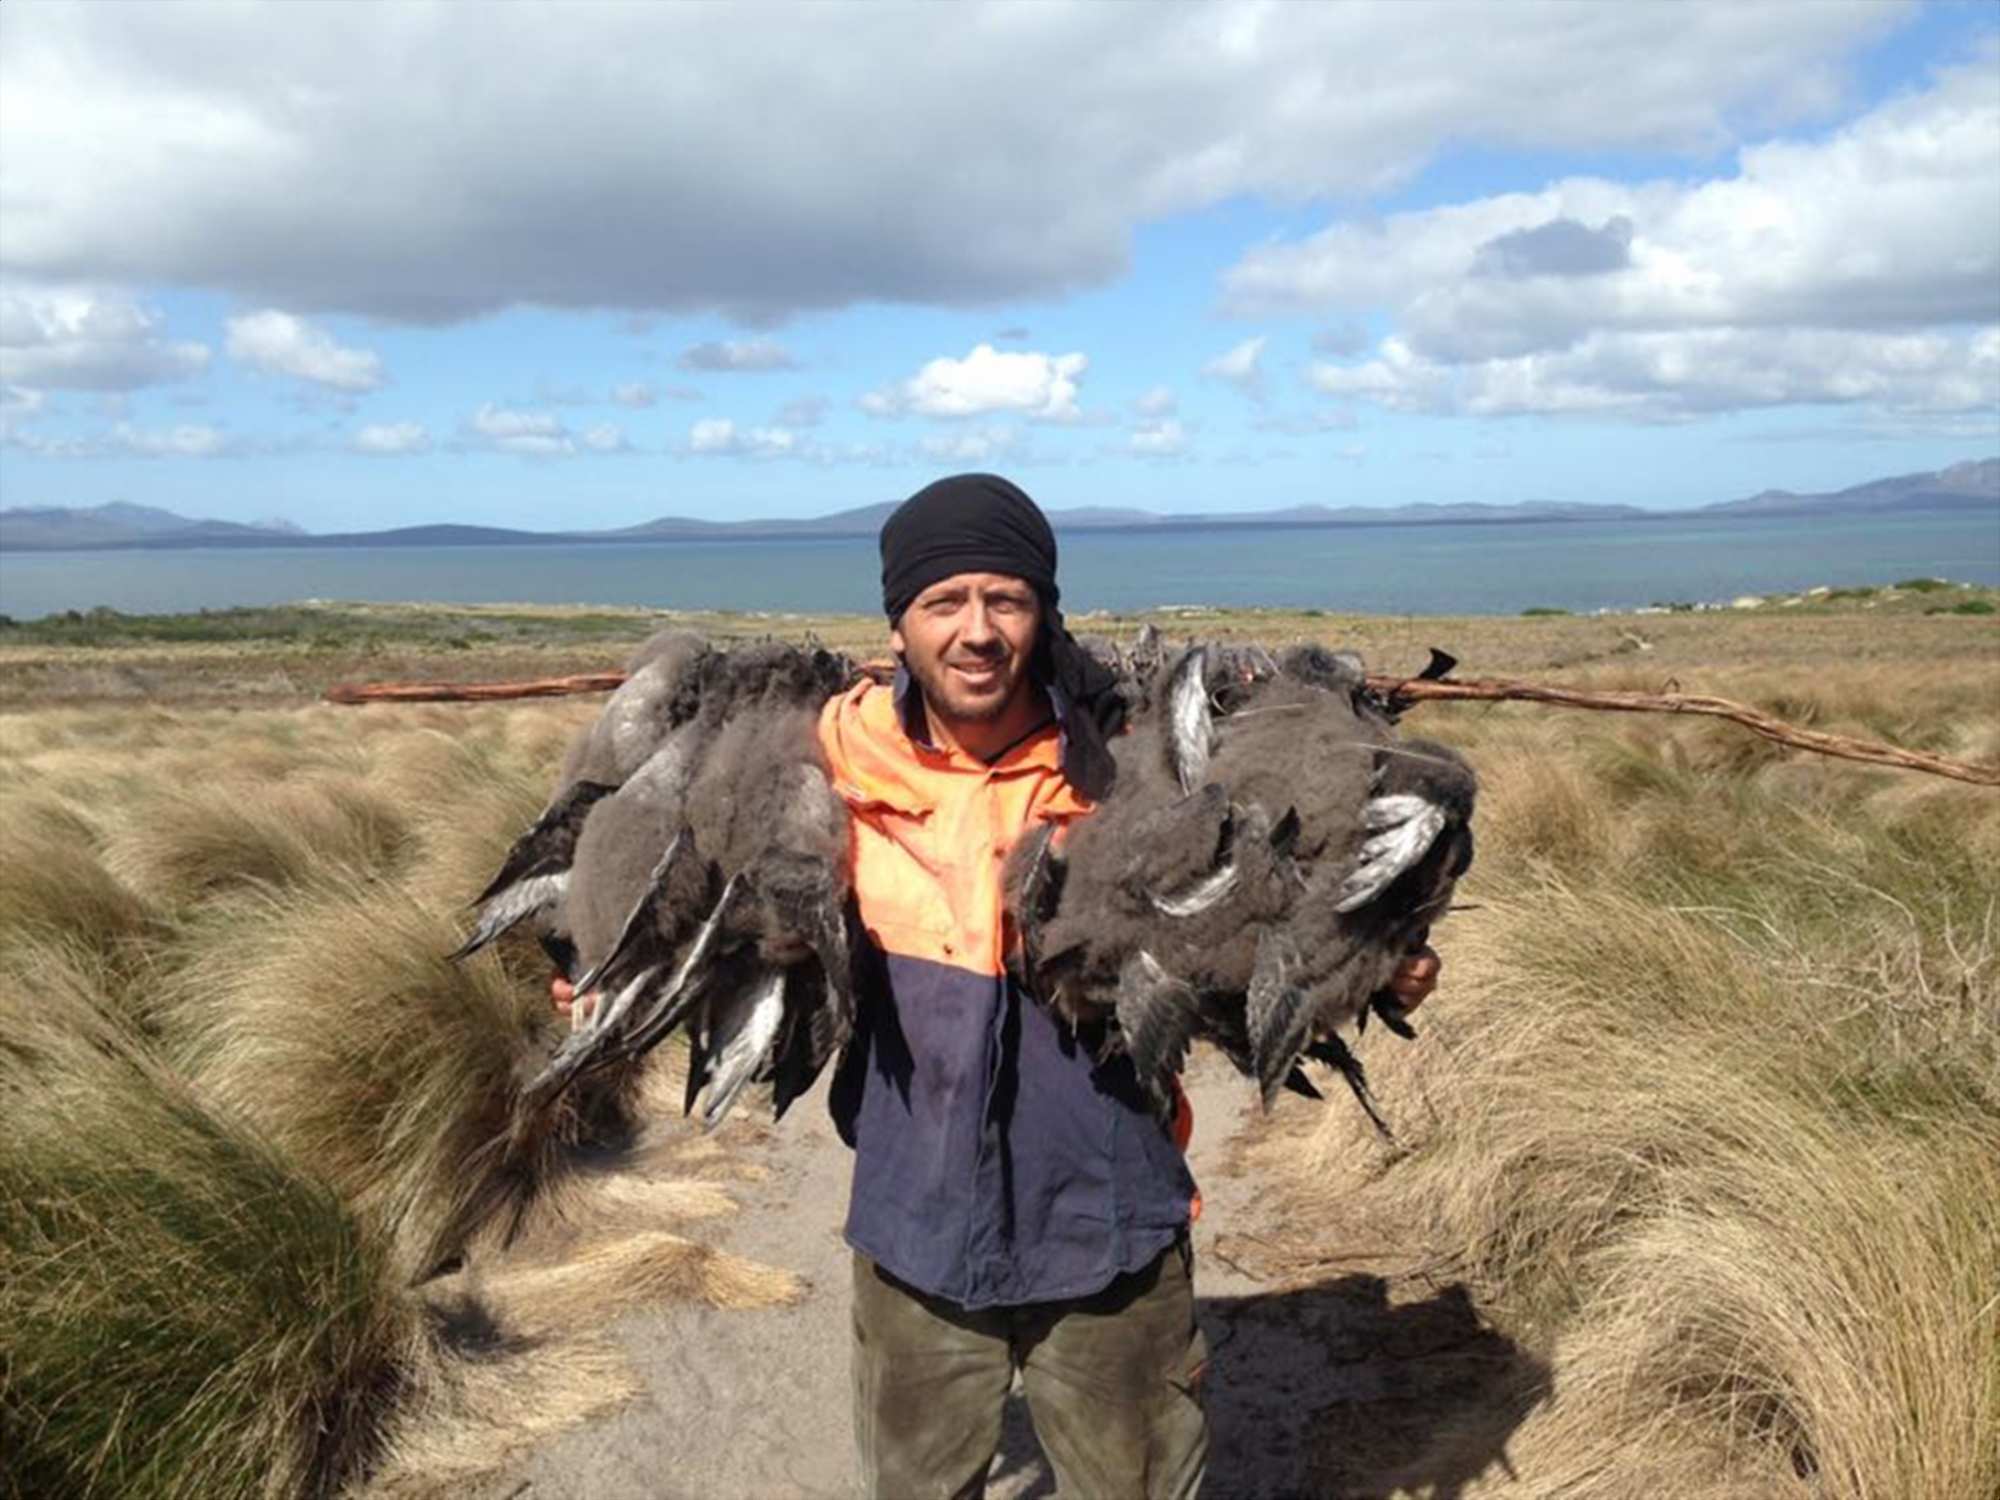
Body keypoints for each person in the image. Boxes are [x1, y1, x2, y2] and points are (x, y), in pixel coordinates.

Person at [558, 473, 1440, 1499]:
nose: (976, 630)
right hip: (912, 1240)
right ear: (898, 627)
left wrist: (1379, 971)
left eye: (1005, 599)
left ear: (1040, 613)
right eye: (943, 602)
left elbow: (1287, 915)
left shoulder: (1135, 769)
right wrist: (589, 968)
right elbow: (670, 894)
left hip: (1113, 1238)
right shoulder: (820, 772)